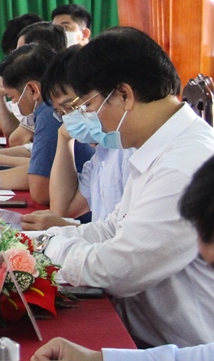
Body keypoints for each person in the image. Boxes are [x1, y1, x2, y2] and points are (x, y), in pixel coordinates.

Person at [33, 27, 214, 348]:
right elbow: (113, 227)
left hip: (179, 348)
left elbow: (119, 269)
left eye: (89, 106)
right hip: (143, 336)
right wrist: (35, 242)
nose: (91, 119)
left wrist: (45, 250)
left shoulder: (185, 162)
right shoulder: (158, 145)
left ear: (124, 95)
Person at [31, 153, 214, 360]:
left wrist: (44, 244)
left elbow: (114, 269)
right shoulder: (146, 158)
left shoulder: (180, 167)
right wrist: (98, 358)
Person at [21, 46, 133, 230]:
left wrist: (68, 229)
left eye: (72, 106)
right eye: (61, 113)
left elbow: (124, 240)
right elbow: (63, 208)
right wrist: (64, 137)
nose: (69, 117)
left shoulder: (129, 148)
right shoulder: (103, 151)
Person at [0, 43, 93, 200]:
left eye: (13, 97)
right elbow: (35, 167)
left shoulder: (50, 111)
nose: (15, 103)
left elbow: (40, 189)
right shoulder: (48, 108)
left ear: (32, 89)